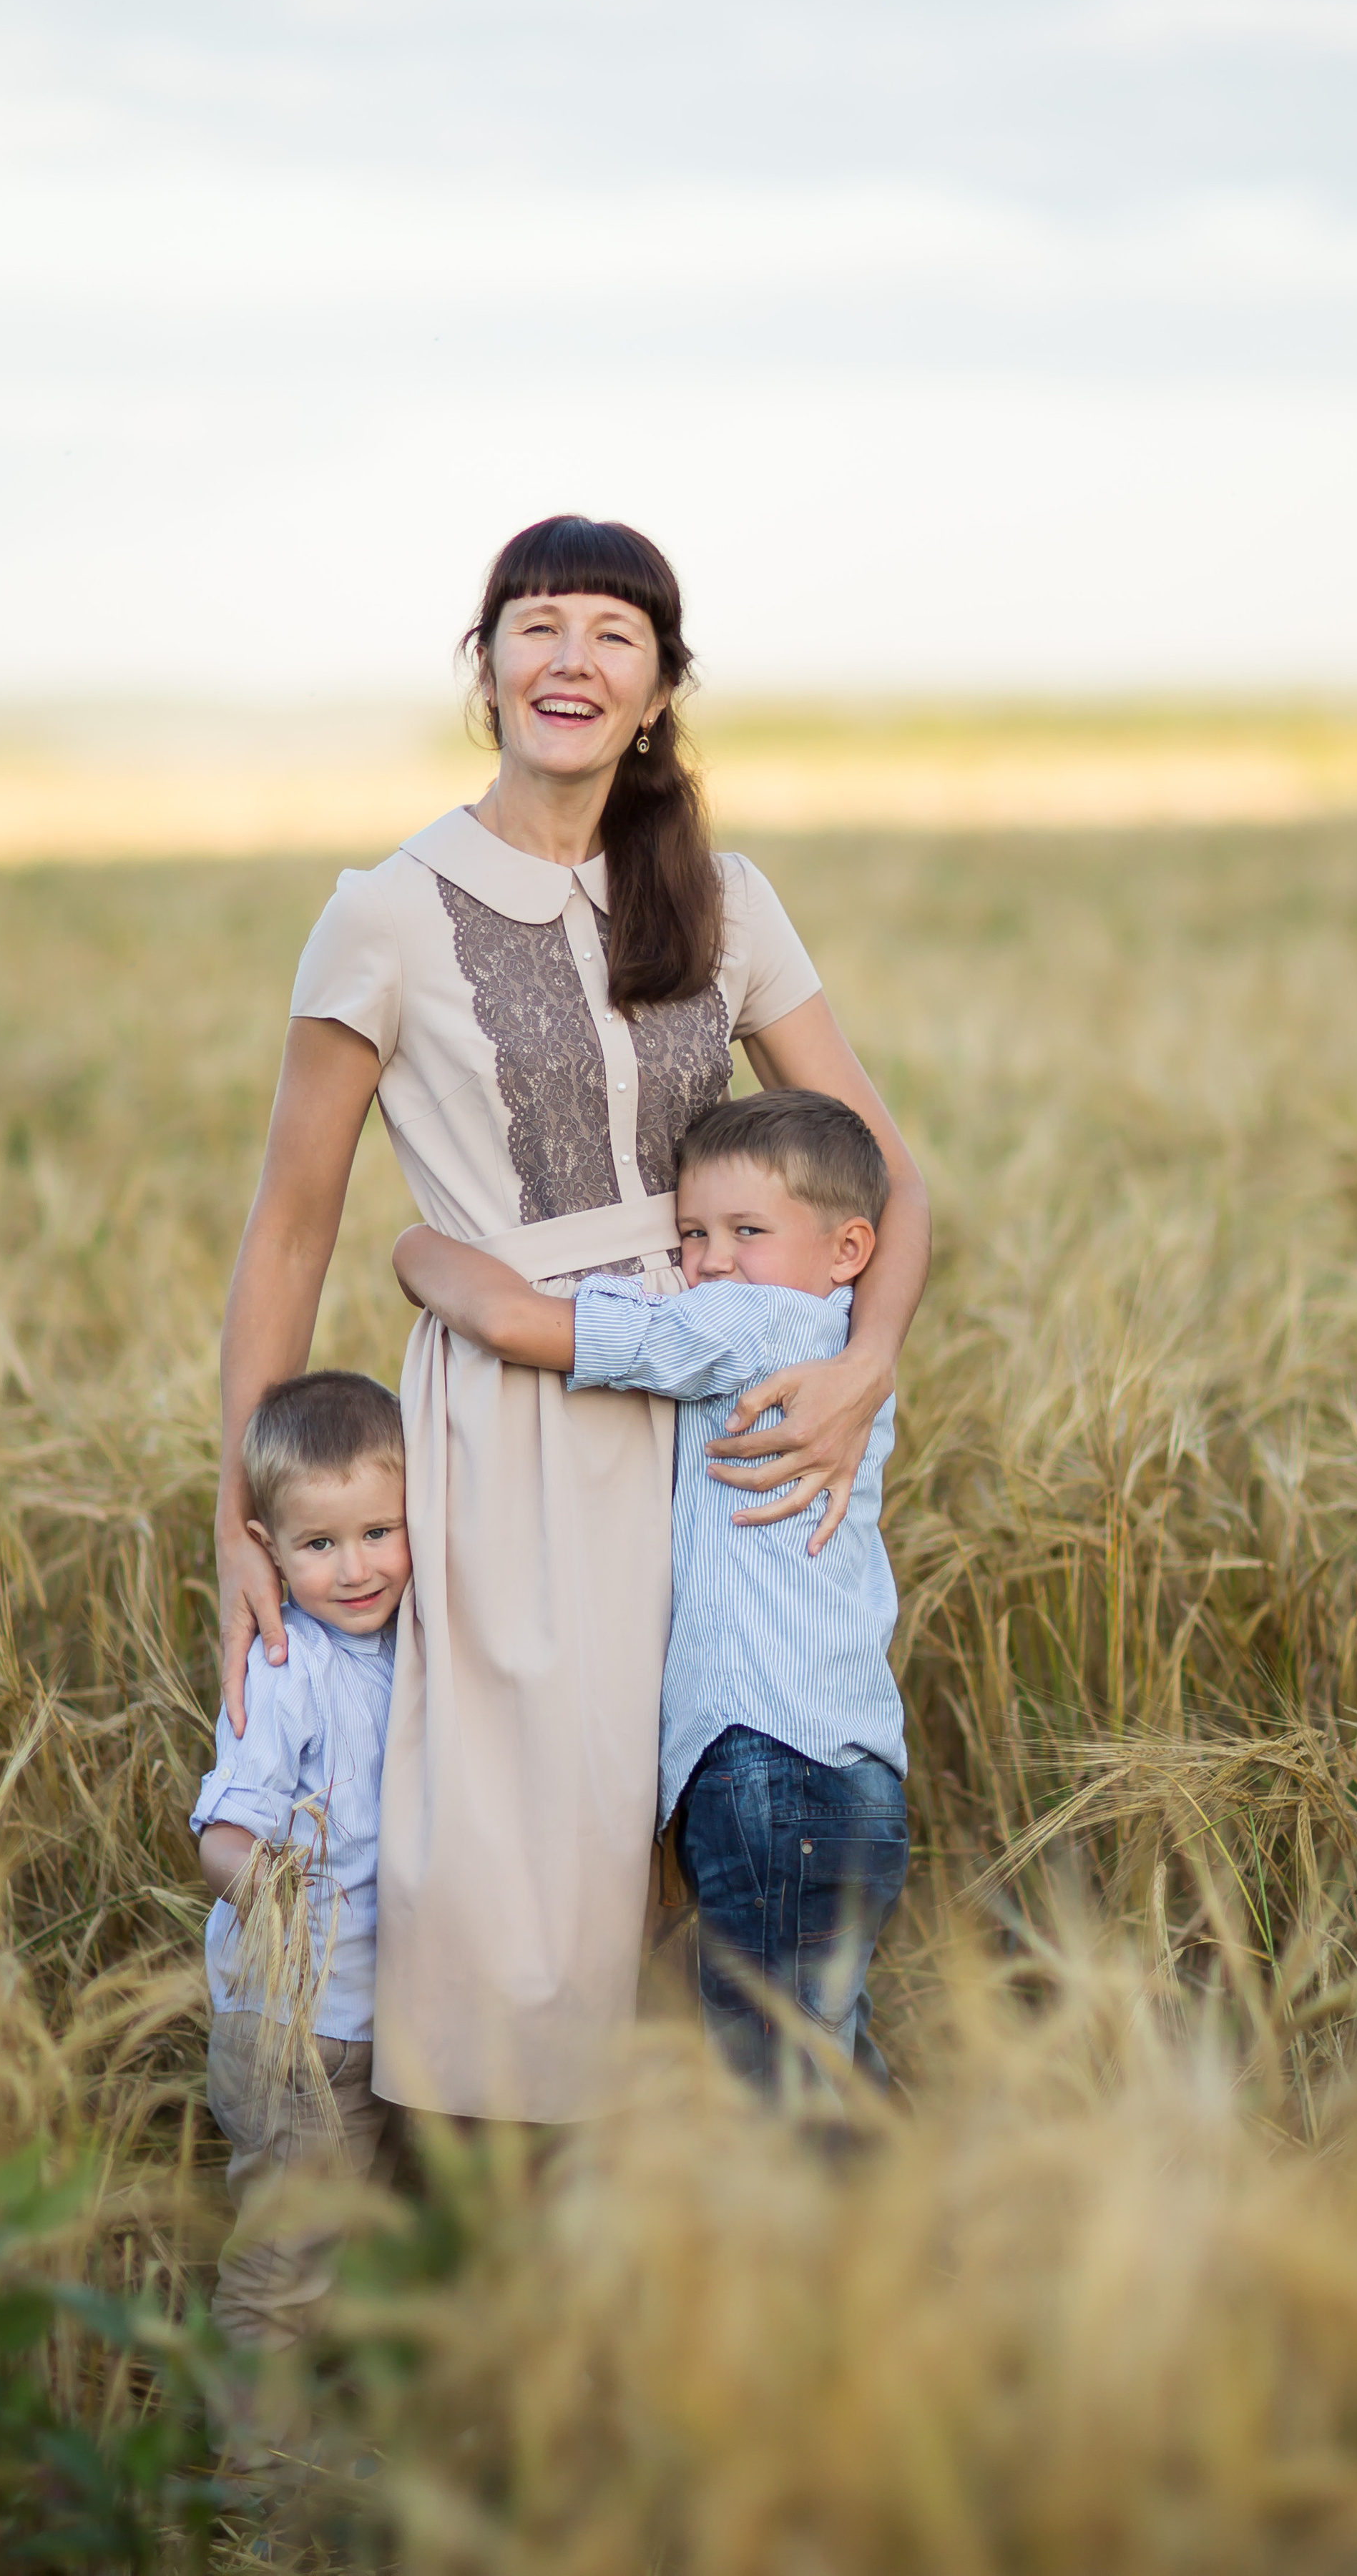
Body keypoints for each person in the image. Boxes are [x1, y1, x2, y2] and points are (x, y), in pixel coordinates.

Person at [214, 512, 929, 2124]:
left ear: (660, 689)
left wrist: (862, 1369)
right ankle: (502, 2224)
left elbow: (889, 1182)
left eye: (615, 634)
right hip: (518, 1426)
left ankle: (719, 2212)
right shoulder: (386, 912)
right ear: (484, 669)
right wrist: (235, 1516)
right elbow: (290, 1230)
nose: (572, 661)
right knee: (523, 1874)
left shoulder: (726, 901)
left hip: (722, 1428)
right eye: (537, 626)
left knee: (723, 1827)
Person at [393, 1088, 908, 2095]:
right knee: (823, 2059)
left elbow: (512, 1322)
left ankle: (828, 2211)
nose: (709, 1260)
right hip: (851, 1774)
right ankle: (918, 2202)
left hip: (771, 1768)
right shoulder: (840, 1347)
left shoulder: (752, 1323)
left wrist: (416, 1247)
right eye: (693, 1234)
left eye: (746, 1231)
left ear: (849, 1249)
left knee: (776, 2087)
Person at [192, 1370, 412, 2349]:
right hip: (300, 2033)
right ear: (266, 1548)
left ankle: (330, 2420)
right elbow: (225, 1832)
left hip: (375, 2022)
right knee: (285, 2268)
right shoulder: (286, 1667)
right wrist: (274, 1897)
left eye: (379, 1532)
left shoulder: (412, 1645)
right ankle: (252, 2442)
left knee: (357, 2252)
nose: (355, 1568)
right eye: (319, 1545)